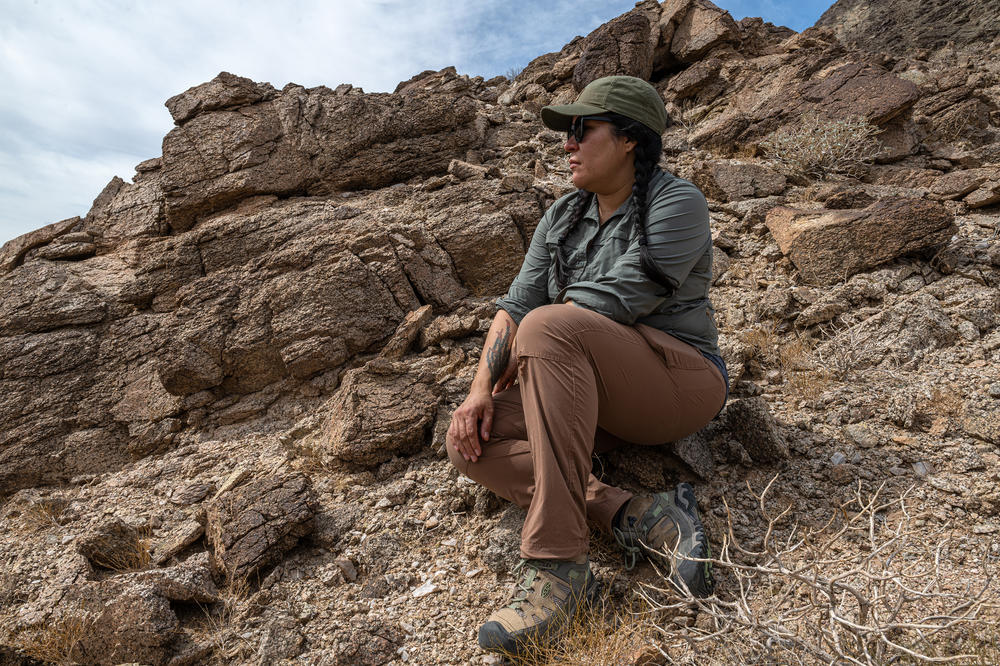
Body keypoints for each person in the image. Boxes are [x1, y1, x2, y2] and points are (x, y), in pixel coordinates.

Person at [446, 75, 728, 656]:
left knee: (550, 327)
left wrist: (536, 344)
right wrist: (478, 391)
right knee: (470, 440)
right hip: (586, 385)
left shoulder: (677, 202)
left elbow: (613, 301)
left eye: (581, 129)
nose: (567, 144)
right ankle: (638, 514)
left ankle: (558, 569)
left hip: (677, 383)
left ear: (629, 139)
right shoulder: (564, 214)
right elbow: (516, 305)